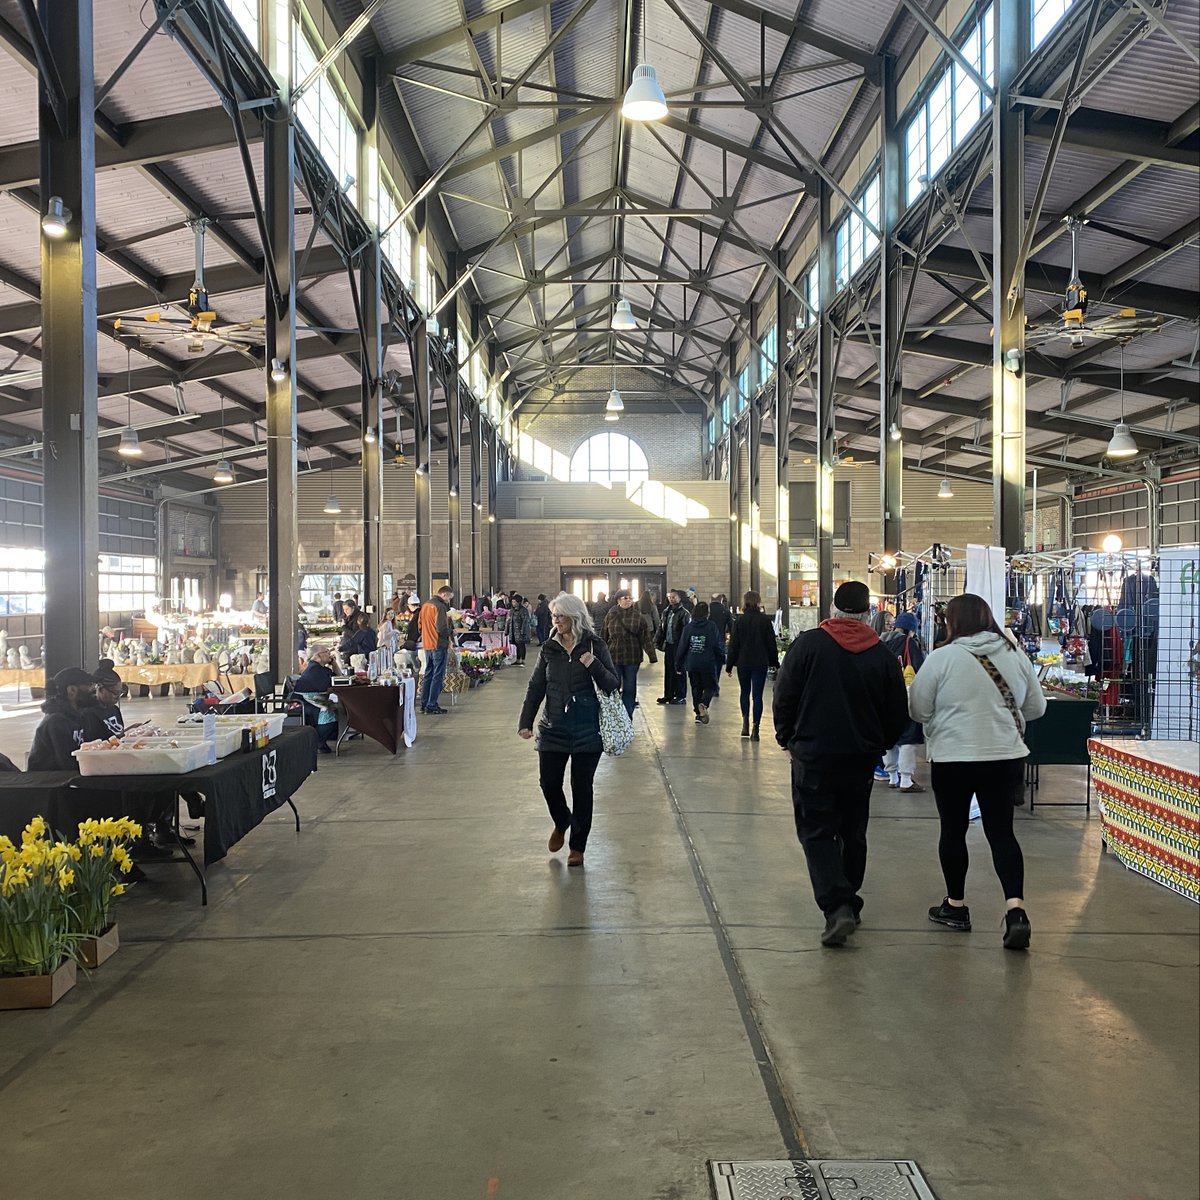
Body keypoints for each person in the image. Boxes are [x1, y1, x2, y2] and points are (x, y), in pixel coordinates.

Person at [772, 581, 909, 947]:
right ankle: (849, 897)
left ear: (832, 609)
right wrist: (880, 744)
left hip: (813, 756)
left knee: (816, 831)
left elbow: (784, 695)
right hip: (860, 759)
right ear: (867, 613)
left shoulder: (808, 645)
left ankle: (837, 906)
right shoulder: (881, 654)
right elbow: (898, 711)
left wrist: (786, 738)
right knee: (853, 830)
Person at [907, 593, 1046, 951]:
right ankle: (1016, 912)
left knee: (953, 831)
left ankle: (955, 907)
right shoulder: (1016, 656)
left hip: (954, 757)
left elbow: (918, 709)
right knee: (1002, 833)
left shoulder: (942, 658)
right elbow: (1036, 707)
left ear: (951, 622)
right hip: (1004, 756)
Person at [518, 593, 619, 868]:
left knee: (582, 788)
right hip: (553, 727)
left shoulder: (595, 646)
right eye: (554, 616)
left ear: (575, 617)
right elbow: (536, 685)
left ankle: (578, 847)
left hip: (588, 729)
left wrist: (592, 664)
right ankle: (562, 820)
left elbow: (612, 684)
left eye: (560, 616)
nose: (556, 621)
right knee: (549, 783)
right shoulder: (549, 648)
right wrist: (525, 721)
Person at [880, 612, 927, 792]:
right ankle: (906, 779)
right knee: (908, 737)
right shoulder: (910, 644)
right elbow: (920, 670)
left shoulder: (881, 643)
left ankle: (892, 776)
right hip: (905, 697)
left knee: (890, 737)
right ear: (911, 629)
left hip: (885, 699)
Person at [725, 590, 779, 741]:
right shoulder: (764, 621)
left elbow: (733, 645)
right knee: (757, 696)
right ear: (758, 602)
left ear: (745, 602)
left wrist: (729, 665)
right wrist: (775, 663)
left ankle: (745, 724)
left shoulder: (739, 621)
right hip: (760, 662)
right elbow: (771, 644)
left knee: (744, 692)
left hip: (743, 662)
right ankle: (756, 727)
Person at [28, 667, 100, 771]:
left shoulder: (80, 716)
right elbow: (67, 763)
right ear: (72, 690)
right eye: (89, 685)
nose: (94, 690)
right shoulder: (56, 722)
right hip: (49, 782)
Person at [602, 589, 658, 717]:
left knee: (630, 687)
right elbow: (603, 636)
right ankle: (615, 715)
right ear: (618, 600)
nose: (628, 600)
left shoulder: (637, 616)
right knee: (613, 687)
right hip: (614, 657)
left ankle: (627, 716)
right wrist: (600, 654)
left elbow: (645, 637)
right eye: (625, 598)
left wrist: (652, 655)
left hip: (632, 657)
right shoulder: (611, 615)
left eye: (630, 598)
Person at [675, 601, 724, 724]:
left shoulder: (688, 628)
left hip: (692, 663)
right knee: (711, 686)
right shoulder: (711, 626)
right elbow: (716, 644)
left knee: (696, 687)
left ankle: (698, 714)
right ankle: (704, 704)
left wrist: (678, 663)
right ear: (707, 613)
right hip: (708, 662)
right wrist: (722, 658)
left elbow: (682, 646)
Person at [293, 648, 339, 754]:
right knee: (328, 710)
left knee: (334, 707)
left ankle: (323, 739)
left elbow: (337, 679)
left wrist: (334, 664)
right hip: (304, 700)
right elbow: (326, 686)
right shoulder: (314, 669)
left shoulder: (321, 668)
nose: (329, 654)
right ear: (317, 656)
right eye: (326, 652)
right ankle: (319, 741)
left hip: (315, 698)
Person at [419, 586, 454, 714]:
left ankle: (424, 703)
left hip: (427, 644)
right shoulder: (439, 607)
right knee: (437, 675)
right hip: (438, 644)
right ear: (444, 594)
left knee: (428, 673)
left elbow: (419, 625)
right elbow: (441, 628)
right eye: (449, 597)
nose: (449, 601)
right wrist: (451, 632)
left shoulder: (425, 605)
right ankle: (432, 704)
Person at [655, 590, 689, 705]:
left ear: (680, 598)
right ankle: (668, 694)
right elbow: (661, 627)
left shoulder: (684, 613)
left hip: (679, 645)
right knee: (669, 670)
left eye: (674, 597)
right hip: (669, 645)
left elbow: (686, 631)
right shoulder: (666, 611)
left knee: (679, 670)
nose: (671, 599)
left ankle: (680, 695)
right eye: (670, 597)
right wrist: (657, 641)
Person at [83, 662, 125, 741]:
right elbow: (96, 743)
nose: (118, 697)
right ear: (101, 689)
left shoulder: (114, 709)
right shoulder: (89, 714)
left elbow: (119, 735)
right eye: (115, 693)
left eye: (120, 693)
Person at [509, 594, 532, 665]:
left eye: (514, 602)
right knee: (517, 646)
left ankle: (523, 660)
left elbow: (525, 621)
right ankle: (518, 660)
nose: (513, 603)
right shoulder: (512, 610)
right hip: (514, 631)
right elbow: (510, 621)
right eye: (512, 602)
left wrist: (523, 631)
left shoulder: (523, 610)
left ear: (518, 602)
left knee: (521, 645)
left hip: (521, 632)